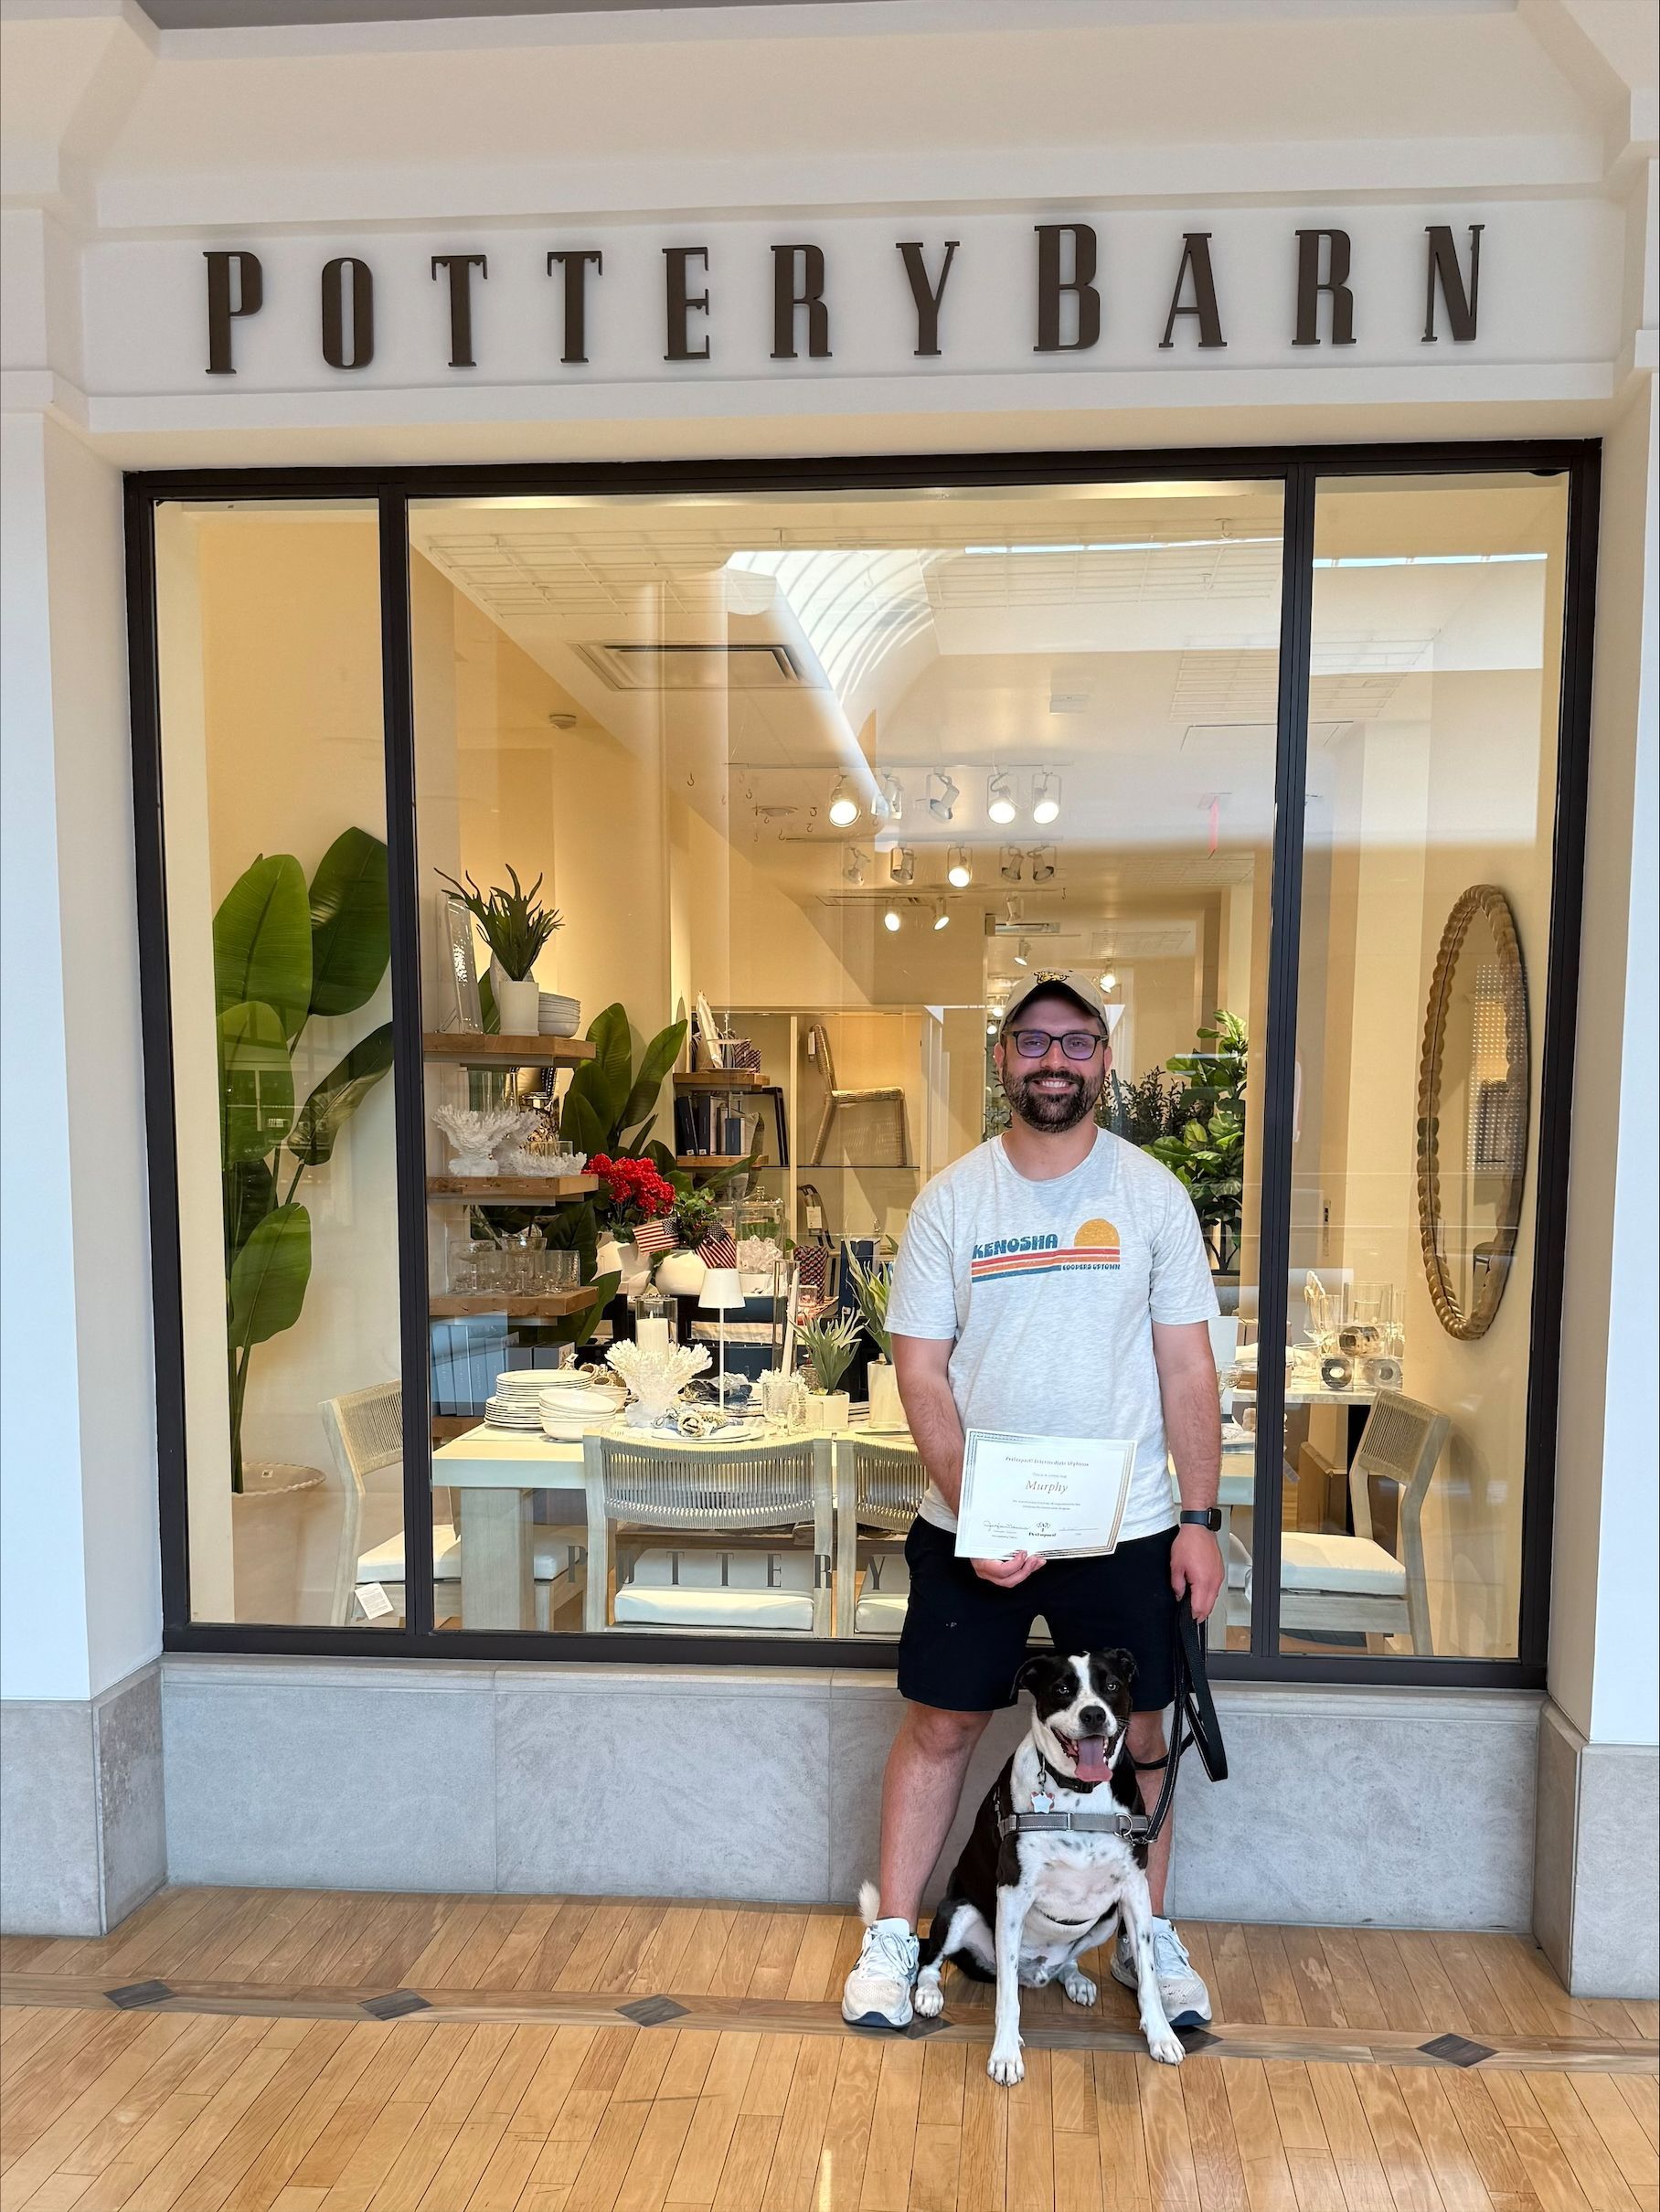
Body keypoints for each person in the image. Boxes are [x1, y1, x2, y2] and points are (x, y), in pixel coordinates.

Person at [841, 973, 1226, 2032]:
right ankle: (892, 1938)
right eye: (1032, 1041)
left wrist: (1199, 1519)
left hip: (1129, 1523)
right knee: (943, 1723)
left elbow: (1188, 1369)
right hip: (975, 1523)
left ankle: (1148, 1941)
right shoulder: (953, 1198)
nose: (1053, 1060)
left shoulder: (1150, 1194)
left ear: (1104, 1059)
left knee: (1141, 1733)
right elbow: (920, 1372)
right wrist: (982, 1514)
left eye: (1077, 1041)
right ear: (1002, 1057)